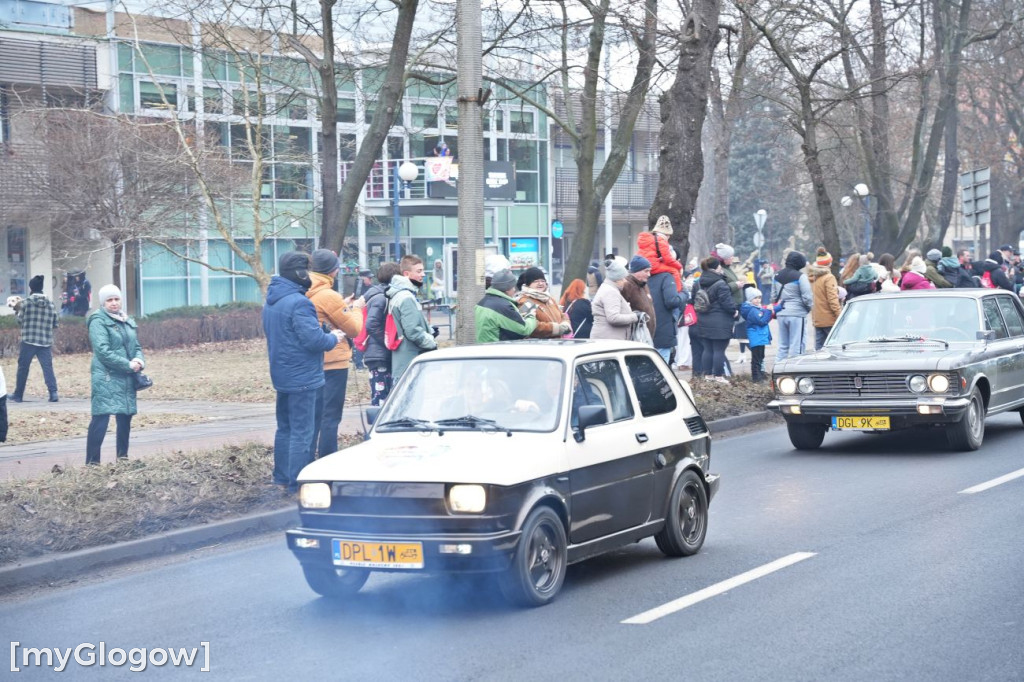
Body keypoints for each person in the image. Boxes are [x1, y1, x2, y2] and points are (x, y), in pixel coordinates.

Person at [263, 251, 344, 489]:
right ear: (300, 273)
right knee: (302, 432)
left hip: (282, 375)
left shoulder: (273, 300)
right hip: (304, 378)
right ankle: (299, 483)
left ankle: (282, 477)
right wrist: (334, 337)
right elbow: (314, 341)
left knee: (285, 428)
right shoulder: (300, 302)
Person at [306, 249, 365, 459]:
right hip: (333, 362)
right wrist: (356, 309)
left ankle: (307, 460)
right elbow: (353, 329)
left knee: (313, 417)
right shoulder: (328, 295)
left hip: (312, 363)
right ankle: (327, 460)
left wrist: (343, 306)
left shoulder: (305, 289)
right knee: (330, 417)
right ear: (334, 271)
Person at [85, 285, 146, 465]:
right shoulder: (98, 320)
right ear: (103, 303)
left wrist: (139, 361)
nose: (113, 303)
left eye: (116, 299)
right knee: (101, 418)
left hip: (126, 375)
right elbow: (102, 351)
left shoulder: (127, 320)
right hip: (106, 376)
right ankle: (92, 463)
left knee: (125, 416)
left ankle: (123, 458)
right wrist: (128, 365)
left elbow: (136, 347)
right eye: (109, 300)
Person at [387, 254, 438, 381]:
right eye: (419, 271)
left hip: (405, 359)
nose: (423, 275)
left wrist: (429, 330)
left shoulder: (400, 294)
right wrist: (431, 342)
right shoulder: (406, 297)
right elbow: (413, 331)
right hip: (410, 360)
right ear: (406, 274)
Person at [9, 275, 59, 403]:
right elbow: (55, 324)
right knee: (47, 368)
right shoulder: (51, 304)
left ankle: (18, 395)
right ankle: (53, 394)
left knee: (23, 367)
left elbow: (20, 321)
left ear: (31, 288)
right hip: (45, 342)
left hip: (28, 341)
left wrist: (17, 311)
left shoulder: (26, 303)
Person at [692, 257, 736, 384]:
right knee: (719, 350)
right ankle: (718, 376)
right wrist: (735, 312)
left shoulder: (698, 282)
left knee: (707, 349)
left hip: (703, 320)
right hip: (720, 321)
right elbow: (727, 304)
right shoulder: (721, 284)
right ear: (717, 268)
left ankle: (708, 375)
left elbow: (693, 300)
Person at [364, 262, 401, 406]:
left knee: (382, 396)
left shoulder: (377, 294)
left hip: (377, 354)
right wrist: (388, 342)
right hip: (380, 355)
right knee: (382, 400)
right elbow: (371, 324)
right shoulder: (381, 297)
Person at [476, 269, 539, 343]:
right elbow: (524, 330)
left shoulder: (482, 302)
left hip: (483, 348)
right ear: (507, 289)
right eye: (513, 287)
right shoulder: (502, 307)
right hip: (496, 350)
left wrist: (517, 314)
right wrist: (531, 315)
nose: (514, 290)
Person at [772, 250, 814, 361]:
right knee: (797, 345)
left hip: (781, 313)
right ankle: (795, 372)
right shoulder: (801, 277)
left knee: (783, 346)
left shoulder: (776, 276)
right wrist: (808, 308)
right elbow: (807, 297)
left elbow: (773, 296)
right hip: (797, 314)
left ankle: (778, 371)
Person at [590, 258, 640, 340]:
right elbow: (613, 318)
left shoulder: (608, 289)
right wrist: (635, 316)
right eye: (623, 278)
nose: (625, 281)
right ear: (617, 279)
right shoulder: (610, 292)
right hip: (609, 341)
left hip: (608, 338)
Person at [740, 288, 782, 382]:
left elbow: (768, 308)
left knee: (761, 357)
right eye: (755, 298)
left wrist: (780, 305)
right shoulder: (752, 310)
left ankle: (761, 374)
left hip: (760, 337)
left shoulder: (757, 308)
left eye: (759, 297)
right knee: (756, 358)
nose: (758, 300)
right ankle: (756, 377)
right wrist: (769, 311)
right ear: (750, 299)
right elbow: (762, 321)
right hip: (756, 338)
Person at [649, 257, 686, 364]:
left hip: (647, 331)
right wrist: (684, 294)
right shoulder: (666, 277)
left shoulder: (644, 276)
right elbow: (672, 301)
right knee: (661, 368)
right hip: (663, 329)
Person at [515, 267, 570, 338]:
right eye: (536, 281)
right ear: (528, 284)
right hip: (540, 346)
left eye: (542, 280)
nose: (540, 283)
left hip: (557, 343)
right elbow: (528, 325)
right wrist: (556, 328)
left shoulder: (549, 299)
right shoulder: (526, 301)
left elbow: (562, 315)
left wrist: (565, 324)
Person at [637, 215, 684, 291]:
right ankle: (677, 291)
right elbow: (668, 259)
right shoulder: (661, 241)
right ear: (667, 234)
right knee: (674, 271)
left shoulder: (649, 239)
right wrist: (679, 266)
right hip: (652, 265)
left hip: (643, 264)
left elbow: (649, 254)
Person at [808, 248, 841, 350]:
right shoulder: (828, 277)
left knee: (819, 349)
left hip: (817, 318)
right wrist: (840, 316)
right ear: (829, 263)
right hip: (830, 319)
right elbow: (833, 300)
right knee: (833, 348)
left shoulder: (812, 277)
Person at [620, 256, 656, 340]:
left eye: (649, 271)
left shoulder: (644, 285)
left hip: (645, 337)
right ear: (636, 271)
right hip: (634, 337)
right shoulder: (626, 285)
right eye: (646, 271)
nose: (649, 274)